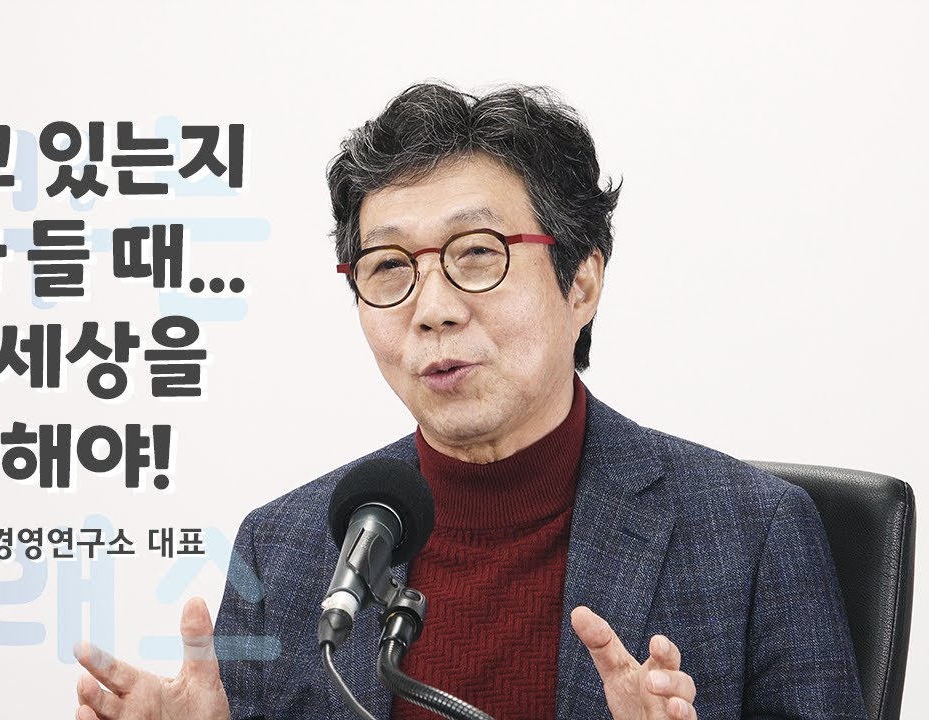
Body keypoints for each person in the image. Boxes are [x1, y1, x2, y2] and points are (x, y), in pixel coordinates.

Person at [74, 83, 866, 720]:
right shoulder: (283, 549)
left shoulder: (753, 532)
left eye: (477, 253)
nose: (433, 308)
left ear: (582, 283)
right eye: (390, 266)